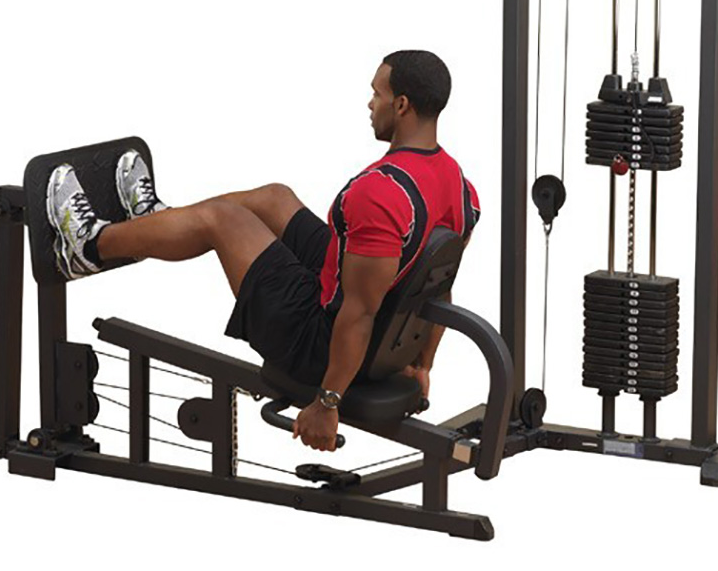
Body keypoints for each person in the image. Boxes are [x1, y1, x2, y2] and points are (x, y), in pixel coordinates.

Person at [46, 50, 480, 451]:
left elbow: (359, 313)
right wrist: (422, 363)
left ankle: (89, 245)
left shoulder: (380, 193)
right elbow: (438, 289)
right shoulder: (460, 189)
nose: (370, 104)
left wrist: (327, 402)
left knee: (222, 219)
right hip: (364, 317)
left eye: (377, 94)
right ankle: (156, 226)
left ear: (401, 105)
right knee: (275, 198)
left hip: (317, 343)